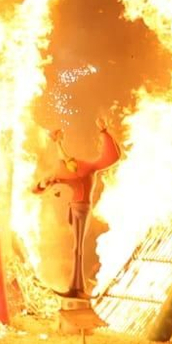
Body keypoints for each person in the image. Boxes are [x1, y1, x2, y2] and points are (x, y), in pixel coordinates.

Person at [32, 118, 121, 301]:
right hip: (75, 208)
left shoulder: (83, 168)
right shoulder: (69, 170)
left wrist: (105, 133)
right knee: (76, 248)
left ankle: (77, 288)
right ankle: (76, 287)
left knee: (77, 249)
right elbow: (38, 189)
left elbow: (111, 157)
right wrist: (44, 182)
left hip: (81, 209)